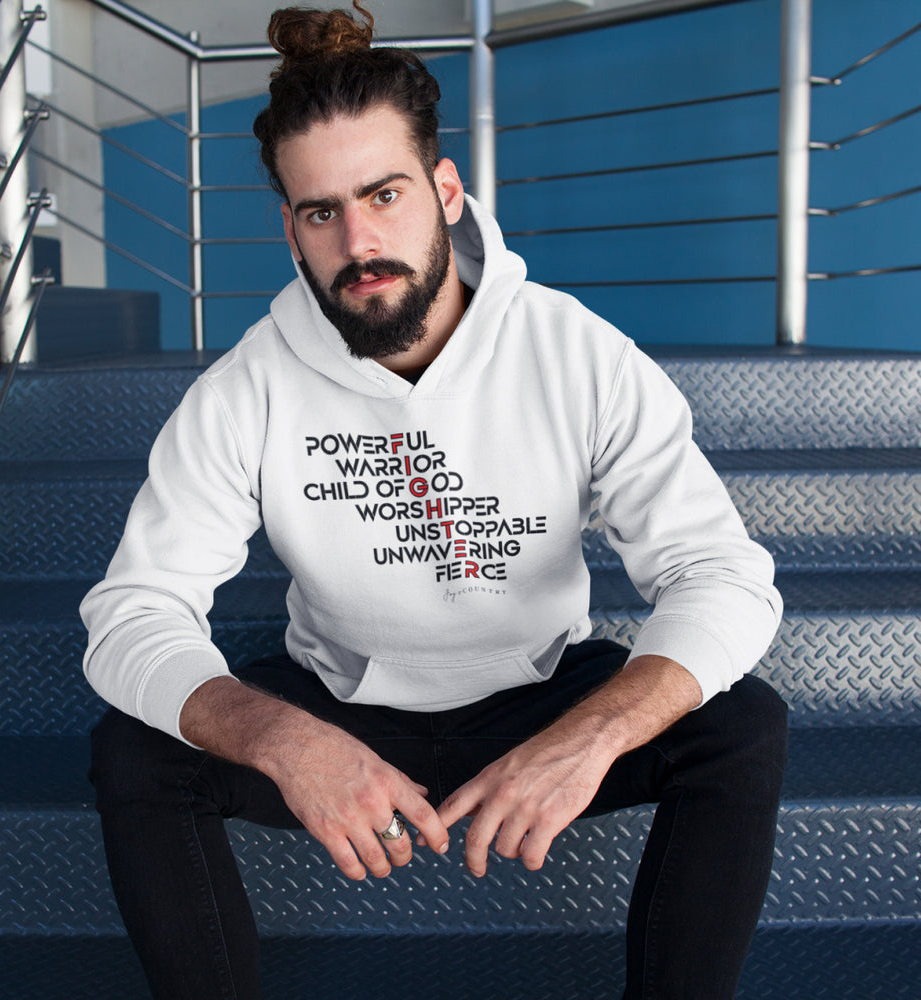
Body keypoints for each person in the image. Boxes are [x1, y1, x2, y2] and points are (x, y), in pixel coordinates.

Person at [82, 3, 788, 997]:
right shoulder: (247, 387)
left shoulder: (575, 353)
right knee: (135, 751)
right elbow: (132, 614)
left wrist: (588, 737)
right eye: (321, 212)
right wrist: (283, 740)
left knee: (740, 724)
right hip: (341, 707)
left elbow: (722, 577)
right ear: (290, 229)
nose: (359, 240)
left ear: (446, 191)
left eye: (385, 194)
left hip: (540, 695)